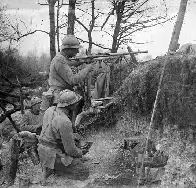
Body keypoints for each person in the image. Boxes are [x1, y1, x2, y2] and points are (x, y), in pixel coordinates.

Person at [38, 89, 91, 185]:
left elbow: (53, 133)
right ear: (72, 105)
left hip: (42, 151)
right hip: (53, 156)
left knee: (74, 146)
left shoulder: (50, 110)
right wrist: (81, 153)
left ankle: (52, 169)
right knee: (83, 172)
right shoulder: (64, 121)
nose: (76, 105)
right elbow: (70, 150)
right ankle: (58, 173)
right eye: (75, 103)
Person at [40, 35, 95, 113]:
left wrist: (83, 61)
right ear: (68, 49)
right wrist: (87, 69)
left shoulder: (61, 58)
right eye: (76, 49)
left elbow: (69, 64)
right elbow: (73, 80)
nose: (78, 52)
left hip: (61, 94)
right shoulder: (59, 60)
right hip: (59, 97)